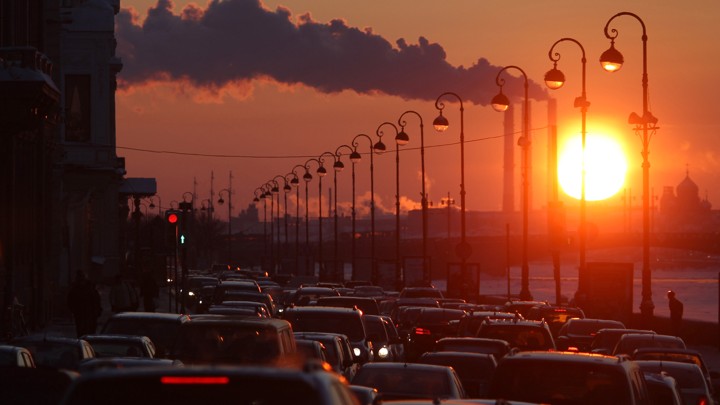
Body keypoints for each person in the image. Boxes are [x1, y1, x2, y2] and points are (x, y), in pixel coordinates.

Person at [67, 270, 102, 337]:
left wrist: (97, 310)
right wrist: (75, 310)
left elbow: (96, 300)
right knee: (82, 332)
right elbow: (70, 301)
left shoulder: (90, 288)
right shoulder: (75, 290)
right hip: (81, 314)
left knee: (90, 332)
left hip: (90, 314)